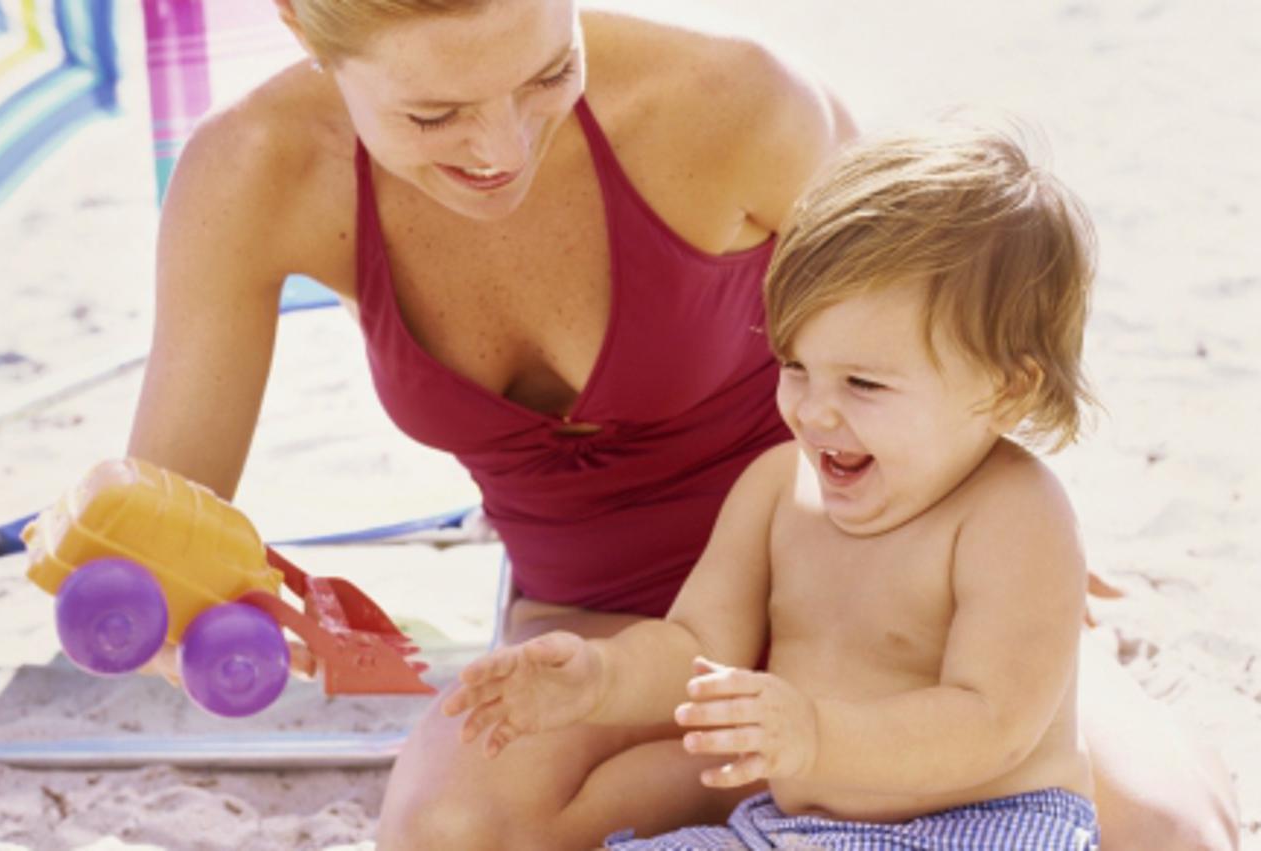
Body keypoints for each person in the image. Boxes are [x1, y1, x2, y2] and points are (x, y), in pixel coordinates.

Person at [122, 0, 1237, 848]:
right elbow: (170, 513)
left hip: (876, 593)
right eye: (432, 114)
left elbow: (940, 342)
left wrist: (1009, 539)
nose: (501, 145)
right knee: (449, 822)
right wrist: (167, 599)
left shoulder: (736, 105)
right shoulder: (255, 171)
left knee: (1167, 826)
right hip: (617, 631)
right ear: (305, 36)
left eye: (548, 71)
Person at [444, 123, 1105, 849]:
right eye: (795, 366)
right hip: (789, 827)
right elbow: (697, 649)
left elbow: (994, 722)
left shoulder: (1013, 514)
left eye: (863, 382)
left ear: (1006, 391)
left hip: (982, 828)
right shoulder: (776, 487)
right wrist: (599, 678)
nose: (814, 410)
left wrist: (816, 732)